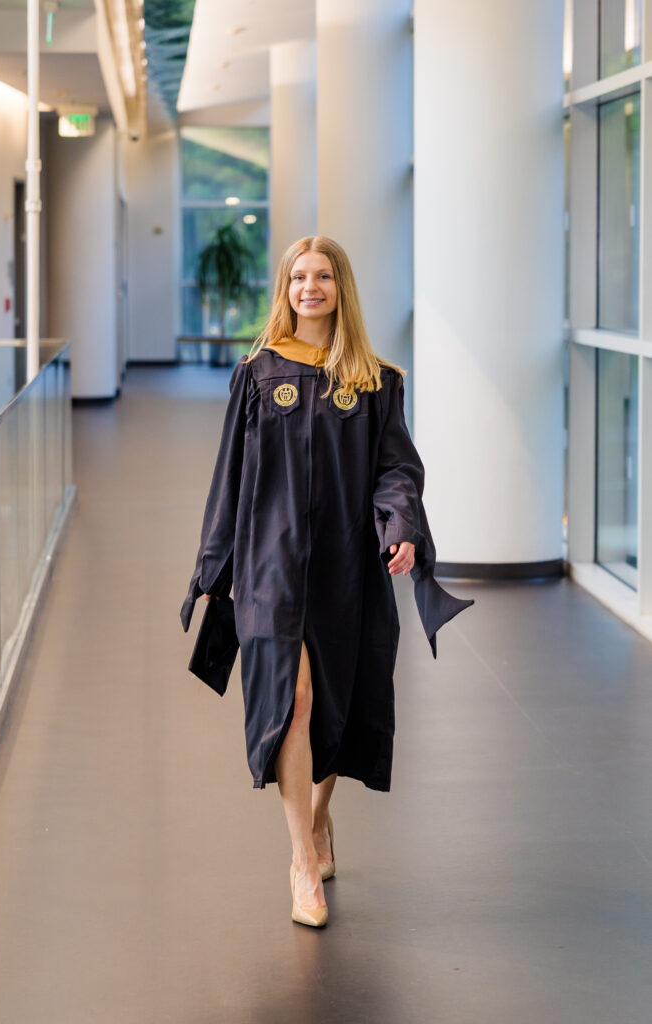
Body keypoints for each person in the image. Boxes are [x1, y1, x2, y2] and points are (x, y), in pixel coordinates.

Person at [180, 235, 474, 928]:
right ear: (284, 289)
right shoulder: (256, 374)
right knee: (294, 698)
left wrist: (400, 527)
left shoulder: (374, 381)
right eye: (297, 277)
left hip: (346, 563)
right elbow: (229, 477)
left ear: (341, 288)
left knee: (334, 701)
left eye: (322, 276)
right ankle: (301, 860)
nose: (308, 288)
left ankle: (318, 819)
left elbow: (397, 468)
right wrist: (212, 569)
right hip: (270, 562)